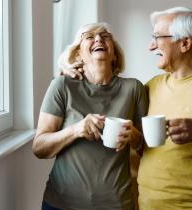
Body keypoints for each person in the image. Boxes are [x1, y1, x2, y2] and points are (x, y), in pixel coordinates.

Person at [62, 7, 192, 210]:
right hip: (148, 204)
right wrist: (72, 68)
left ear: (185, 43)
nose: (151, 46)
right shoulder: (151, 86)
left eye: (157, 38)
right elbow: (141, 143)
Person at [33, 22, 148, 210]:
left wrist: (132, 135)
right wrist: (76, 130)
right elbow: (39, 148)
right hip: (62, 204)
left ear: (114, 53)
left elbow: (147, 147)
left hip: (117, 205)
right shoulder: (62, 85)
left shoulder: (134, 88)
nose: (98, 39)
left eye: (105, 36)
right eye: (89, 36)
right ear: (78, 53)